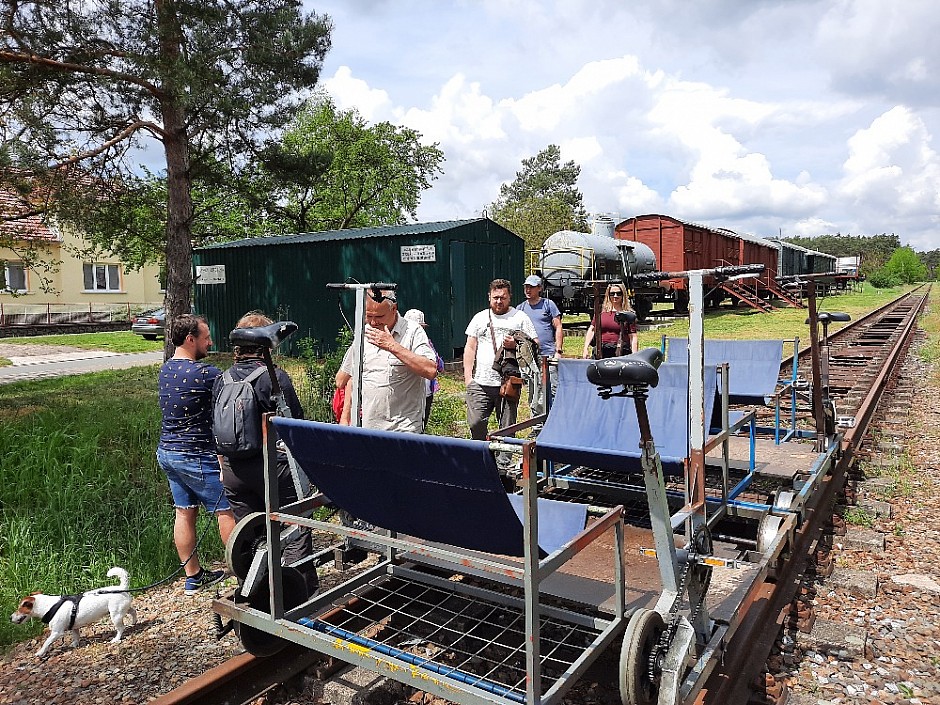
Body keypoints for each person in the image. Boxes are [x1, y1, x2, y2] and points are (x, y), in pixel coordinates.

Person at [212, 311, 319, 597]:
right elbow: (294, 422)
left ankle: (255, 593)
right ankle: (301, 594)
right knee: (296, 522)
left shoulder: (222, 378)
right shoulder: (274, 377)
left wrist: (223, 465)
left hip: (233, 470)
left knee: (251, 536)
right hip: (272, 467)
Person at [157, 314, 236, 596]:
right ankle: (245, 574)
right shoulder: (207, 374)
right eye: (206, 337)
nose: (210, 342)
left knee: (184, 512)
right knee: (227, 510)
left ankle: (193, 577)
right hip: (196, 455)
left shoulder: (165, 369)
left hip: (167, 453)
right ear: (191, 339)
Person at [339, 289, 438, 433]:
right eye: (369, 316)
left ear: (394, 309)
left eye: (379, 316)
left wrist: (392, 346)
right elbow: (348, 379)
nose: (373, 322)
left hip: (404, 429)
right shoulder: (365, 332)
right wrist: (345, 417)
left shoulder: (412, 332)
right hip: (370, 429)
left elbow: (430, 370)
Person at [463, 279, 539, 446]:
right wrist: (468, 378)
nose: (499, 301)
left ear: (509, 297)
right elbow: (470, 347)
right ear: (489, 297)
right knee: (475, 424)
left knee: (507, 428)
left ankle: (502, 466)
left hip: (508, 382)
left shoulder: (520, 317)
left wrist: (516, 344)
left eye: (503, 297)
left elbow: (535, 345)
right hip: (480, 382)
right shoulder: (480, 318)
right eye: (495, 297)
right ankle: (482, 456)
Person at [517, 274, 563, 415]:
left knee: (552, 388)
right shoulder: (521, 308)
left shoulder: (548, 305)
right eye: (526, 287)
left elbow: (558, 327)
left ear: (539, 288)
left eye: (531, 287)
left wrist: (558, 351)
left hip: (548, 354)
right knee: (533, 390)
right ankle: (537, 422)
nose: (528, 290)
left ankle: (555, 417)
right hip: (530, 357)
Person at [403, 308, 445, 430]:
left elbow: (440, 366)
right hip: (408, 393)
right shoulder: (400, 345)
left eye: (421, 328)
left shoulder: (427, 344)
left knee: (421, 427)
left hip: (426, 393)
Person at [582, 282, 639, 359]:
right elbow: (591, 330)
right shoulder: (601, 313)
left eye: (618, 293)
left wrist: (634, 355)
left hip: (621, 352)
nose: (615, 296)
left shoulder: (628, 314)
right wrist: (585, 348)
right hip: (601, 351)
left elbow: (633, 336)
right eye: (612, 293)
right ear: (608, 295)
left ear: (623, 295)